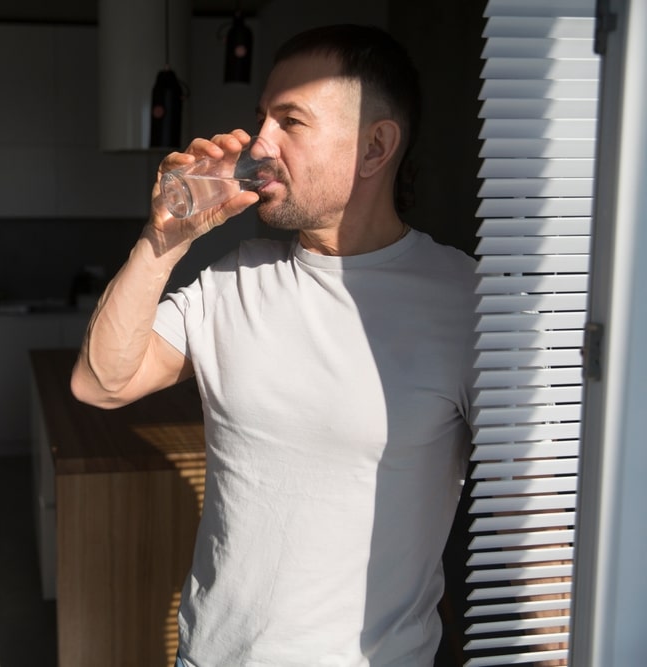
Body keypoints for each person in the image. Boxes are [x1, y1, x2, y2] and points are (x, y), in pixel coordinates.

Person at [71, 23, 478, 666]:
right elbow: (102, 382)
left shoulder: (468, 304)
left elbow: (541, 519)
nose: (258, 144)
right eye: (262, 116)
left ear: (375, 147)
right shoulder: (236, 276)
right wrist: (166, 240)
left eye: (290, 121)